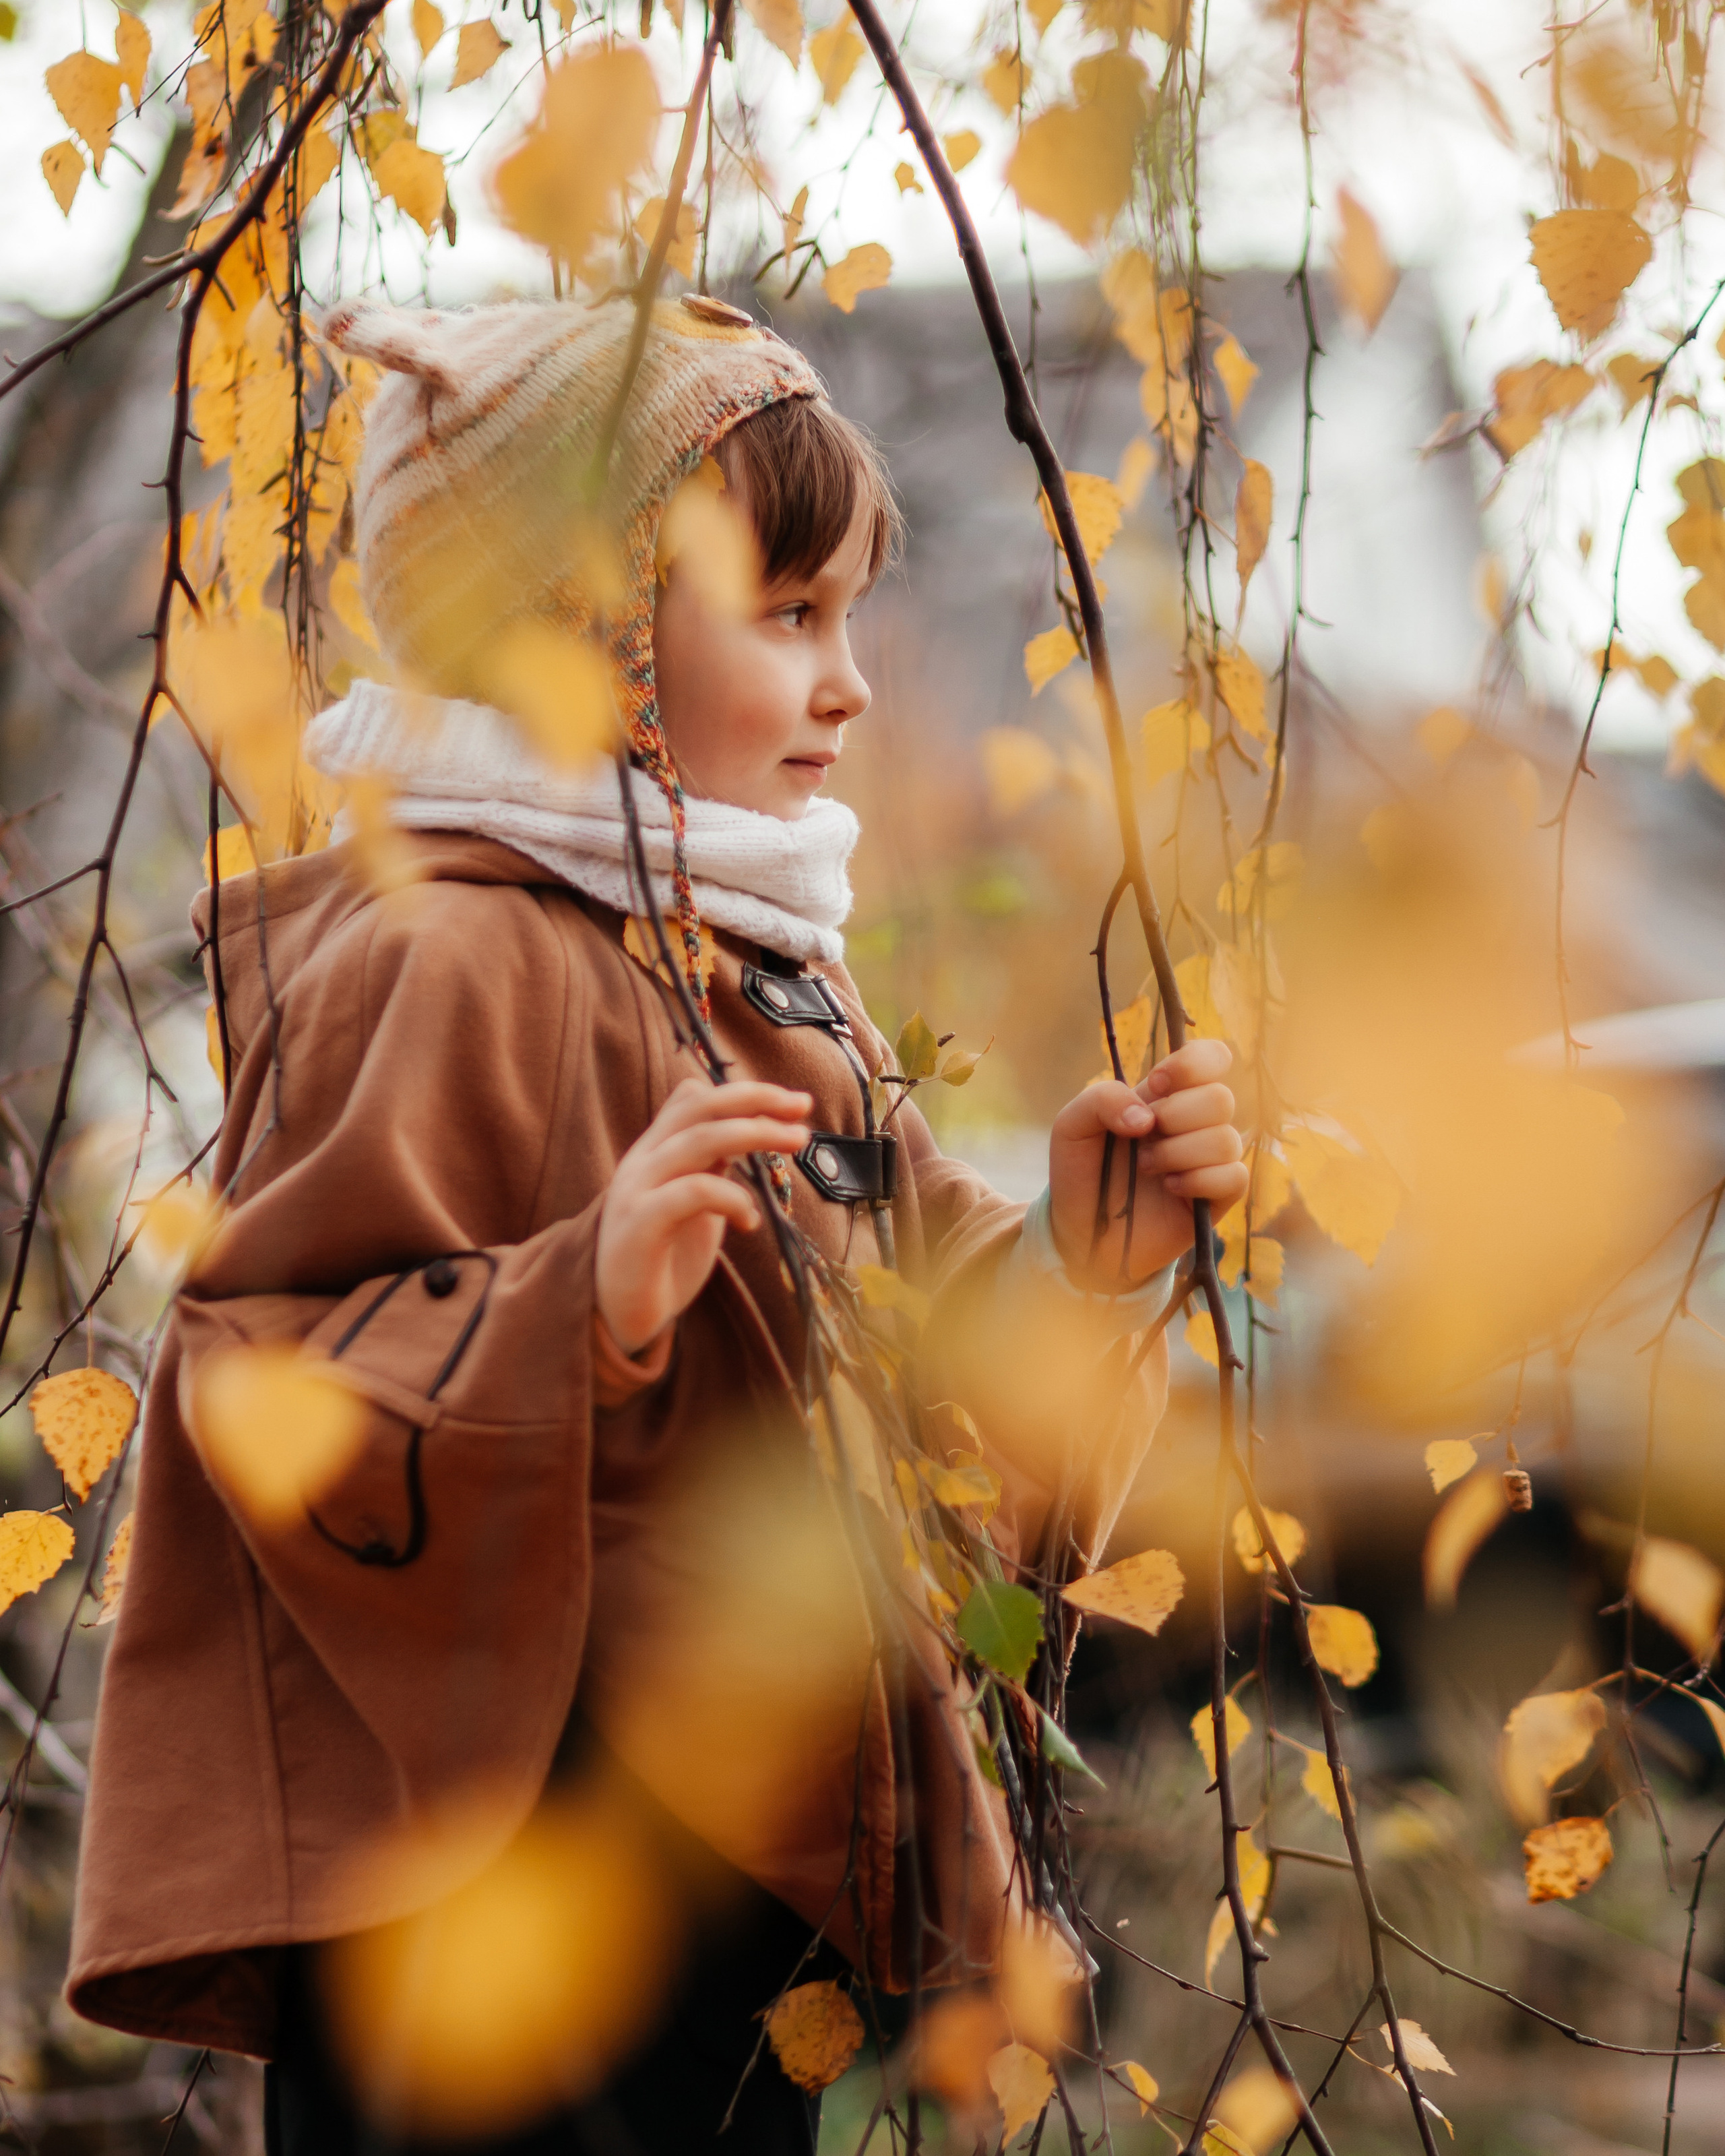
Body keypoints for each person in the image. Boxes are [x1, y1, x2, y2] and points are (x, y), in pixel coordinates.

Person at [67, 292, 1248, 2153]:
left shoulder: (760, 974)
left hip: (747, 1891)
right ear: (590, 636)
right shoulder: (443, 952)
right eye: (789, 615)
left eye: (845, 611)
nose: (850, 680)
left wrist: (1082, 1260)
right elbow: (258, 1371)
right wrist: (572, 1309)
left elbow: (919, 1317)